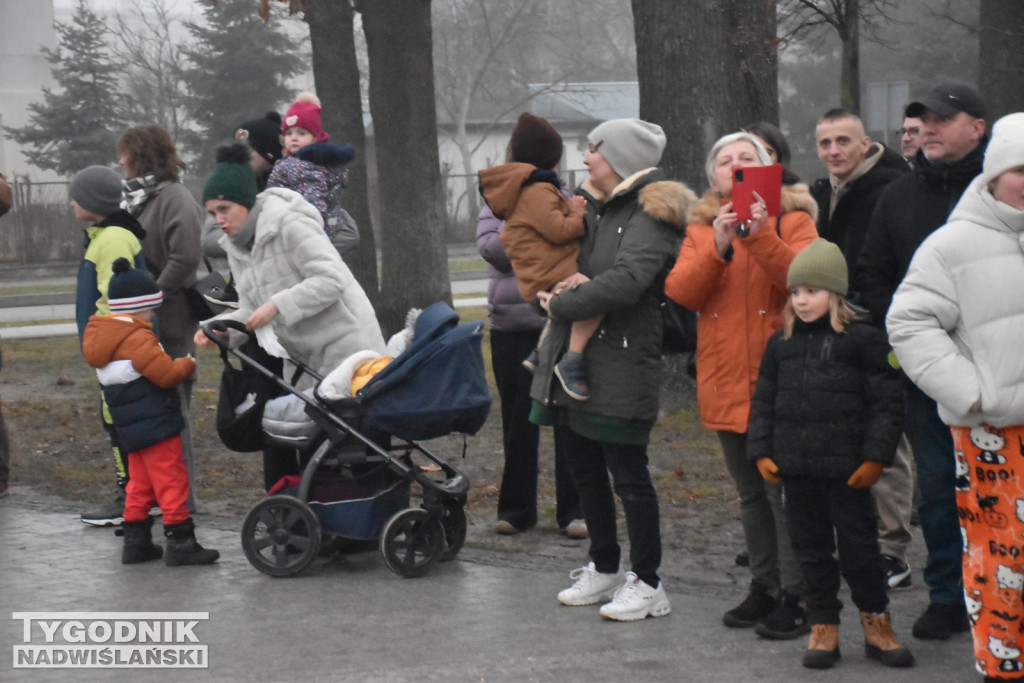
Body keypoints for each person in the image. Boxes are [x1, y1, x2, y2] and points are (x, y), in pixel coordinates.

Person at [530, 118, 696, 622]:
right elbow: (595, 270)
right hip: (581, 362)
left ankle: (648, 582)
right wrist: (569, 284)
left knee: (629, 477)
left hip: (623, 363)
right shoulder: (602, 209)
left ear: (620, 159)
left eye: (594, 150)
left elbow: (627, 281)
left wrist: (563, 305)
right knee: (584, 471)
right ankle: (604, 566)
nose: (585, 158)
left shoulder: (651, 212)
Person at [887, 112, 1024, 683]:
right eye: (1021, 169)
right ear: (995, 174)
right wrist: (971, 394)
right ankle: (1003, 665)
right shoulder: (953, 244)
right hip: (994, 431)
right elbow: (910, 323)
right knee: (1001, 557)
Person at [664, 131, 818, 639]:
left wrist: (757, 233)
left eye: (746, 158)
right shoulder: (703, 229)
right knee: (750, 493)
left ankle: (801, 593)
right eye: (725, 161)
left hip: (780, 381)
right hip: (724, 378)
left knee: (783, 493)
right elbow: (682, 293)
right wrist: (721, 245)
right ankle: (765, 585)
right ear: (713, 178)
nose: (735, 166)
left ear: (769, 167)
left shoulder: (795, 219)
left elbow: (802, 279)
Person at [857, 82, 988, 640]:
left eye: (941, 118)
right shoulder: (900, 196)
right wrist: (917, 338)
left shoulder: (1003, 191)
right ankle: (948, 594)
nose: (928, 127)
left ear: (977, 127)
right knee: (937, 487)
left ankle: (1004, 590)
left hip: (1001, 369)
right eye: (921, 119)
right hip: (926, 371)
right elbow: (872, 274)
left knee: (1003, 487)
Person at [749, 239, 913, 669]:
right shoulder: (780, 344)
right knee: (811, 551)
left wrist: (875, 457)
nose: (802, 301)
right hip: (798, 472)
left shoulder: (864, 341)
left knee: (860, 553)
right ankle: (824, 625)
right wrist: (762, 450)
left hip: (847, 472)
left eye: (812, 291)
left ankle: (877, 622)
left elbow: (886, 405)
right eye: (796, 292)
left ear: (835, 293)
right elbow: (763, 400)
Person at [195, 143, 385, 490]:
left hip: (348, 349)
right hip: (304, 362)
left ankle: (359, 523)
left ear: (246, 203)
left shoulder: (290, 225)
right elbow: (253, 306)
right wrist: (224, 330)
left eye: (224, 208)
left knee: (351, 449)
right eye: (211, 212)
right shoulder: (236, 245)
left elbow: (331, 279)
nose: (218, 219)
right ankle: (328, 526)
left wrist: (279, 304)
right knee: (317, 452)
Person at [810, 108, 914, 591]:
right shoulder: (823, 193)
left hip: (877, 327)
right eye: (826, 143)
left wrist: (878, 315)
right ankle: (857, 540)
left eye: (842, 141)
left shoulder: (890, 189)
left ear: (865, 143)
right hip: (837, 326)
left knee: (886, 435)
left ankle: (893, 548)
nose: (834, 151)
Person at [82, 258, 218, 566]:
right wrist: (187, 362)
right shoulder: (138, 339)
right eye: (150, 308)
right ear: (139, 307)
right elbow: (166, 374)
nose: (153, 314)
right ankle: (181, 542)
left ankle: (136, 541)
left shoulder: (104, 338)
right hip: (156, 423)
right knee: (171, 479)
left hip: (131, 428)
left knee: (139, 485)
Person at [477, 200, 585, 538]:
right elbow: (494, 252)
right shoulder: (497, 204)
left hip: (562, 322)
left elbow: (576, 247)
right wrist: (521, 215)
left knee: (569, 420)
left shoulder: (569, 201)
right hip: (510, 328)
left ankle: (576, 511)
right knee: (517, 423)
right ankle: (516, 510)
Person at [117, 126, 204, 517]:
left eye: (125, 154)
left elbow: (185, 257)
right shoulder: (138, 198)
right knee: (151, 419)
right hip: (144, 329)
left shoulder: (174, 198)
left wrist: (148, 297)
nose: (120, 162)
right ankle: (154, 500)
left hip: (170, 327)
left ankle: (182, 505)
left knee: (174, 419)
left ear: (141, 156)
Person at [478, 113, 592, 400]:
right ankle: (565, 361)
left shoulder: (554, 192)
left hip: (544, 310)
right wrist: (519, 223)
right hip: (513, 318)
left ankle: (542, 353)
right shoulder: (506, 200)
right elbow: (493, 250)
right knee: (518, 419)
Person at [69, 165, 148, 526]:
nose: (71, 203)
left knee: (120, 420)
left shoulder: (114, 238)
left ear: (93, 202)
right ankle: (138, 493)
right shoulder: (104, 235)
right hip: (111, 348)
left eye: (77, 196)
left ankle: (131, 496)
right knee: (116, 419)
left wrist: (102, 344)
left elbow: (117, 300)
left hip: (118, 350)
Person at [201, 112, 285, 303]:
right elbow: (209, 241)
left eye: (249, 150)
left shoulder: (296, 184)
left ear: (269, 153)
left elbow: (345, 233)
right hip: (247, 292)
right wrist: (256, 237)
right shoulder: (230, 186)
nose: (241, 158)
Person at [267, 92, 359, 260]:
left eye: (302, 133)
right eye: (289, 133)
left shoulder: (304, 166)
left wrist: (308, 234)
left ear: (315, 138)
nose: (294, 138)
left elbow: (312, 203)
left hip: (307, 233)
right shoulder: (295, 162)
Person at [746, 121, 802, 185]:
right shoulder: (733, 190)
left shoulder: (797, 193)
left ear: (779, 157)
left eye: (767, 153)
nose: (760, 159)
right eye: (749, 156)